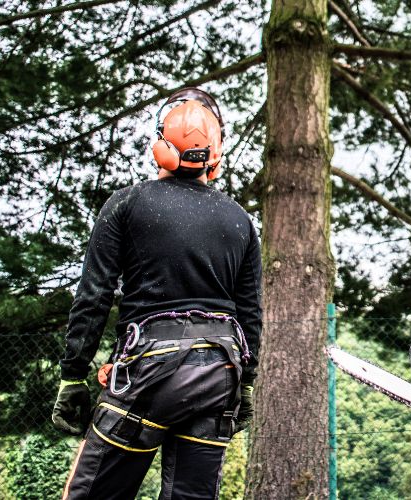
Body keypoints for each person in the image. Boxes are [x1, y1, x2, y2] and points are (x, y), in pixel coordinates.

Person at [52, 87, 262, 499]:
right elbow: (249, 314)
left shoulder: (127, 205)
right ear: (215, 155)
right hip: (219, 375)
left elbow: (94, 295)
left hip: (147, 371)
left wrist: (73, 375)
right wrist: (247, 384)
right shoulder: (239, 221)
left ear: (159, 146)